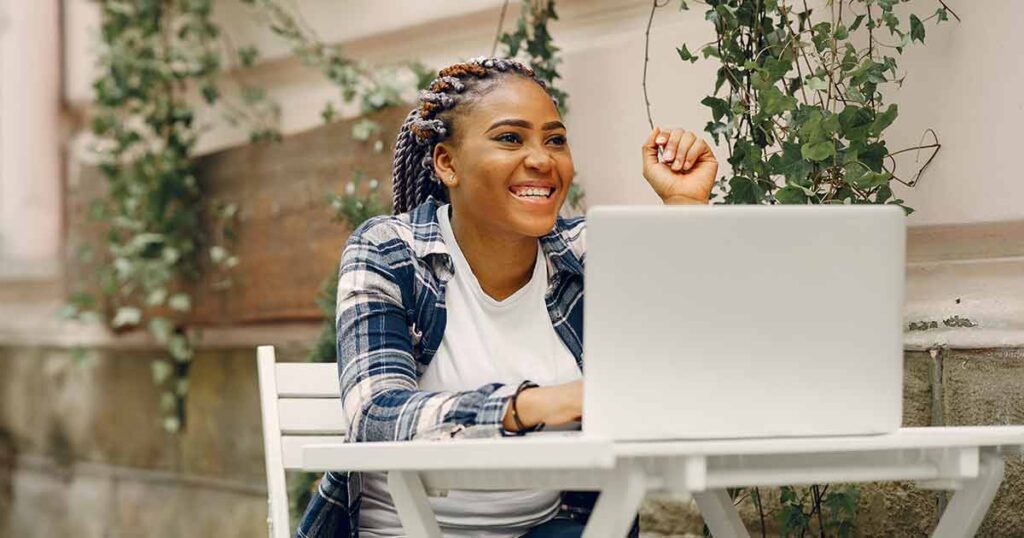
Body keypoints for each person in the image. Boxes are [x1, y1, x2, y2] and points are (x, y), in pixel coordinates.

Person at [296, 56, 718, 538]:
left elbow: (684, 363)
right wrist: (529, 406)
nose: (542, 159)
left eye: (555, 140)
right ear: (447, 163)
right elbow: (375, 415)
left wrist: (684, 208)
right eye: (510, 138)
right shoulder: (390, 251)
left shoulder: (585, 252)